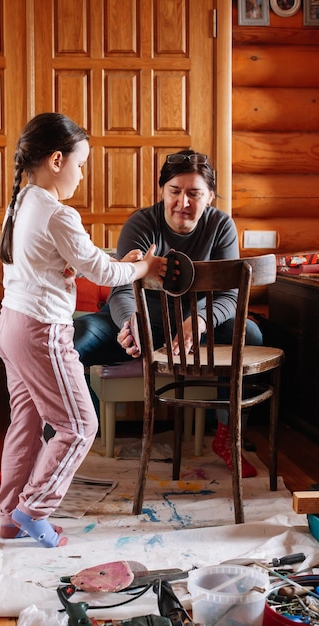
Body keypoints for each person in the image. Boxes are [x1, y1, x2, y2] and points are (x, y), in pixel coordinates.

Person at [0, 112, 167, 546]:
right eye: (81, 163)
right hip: (40, 332)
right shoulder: (57, 212)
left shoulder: (20, 203)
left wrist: (107, 267)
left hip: (9, 324)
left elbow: (57, 262)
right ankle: (33, 510)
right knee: (79, 426)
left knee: (26, 423)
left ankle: (8, 517)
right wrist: (144, 266)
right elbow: (101, 271)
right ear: (56, 159)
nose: (82, 174)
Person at [73, 149, 263, 478]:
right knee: (70, 339)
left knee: (252, 335)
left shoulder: (221, 226)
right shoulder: (142, 222)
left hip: (196, 329)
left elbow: (229, 296)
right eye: (175, 191)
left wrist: (200, 321)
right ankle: (51, 442)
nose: (183, 202)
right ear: (162, 190)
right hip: (143, 321)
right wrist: (130, 323)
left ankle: (227, 436)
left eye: (194, 193)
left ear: (210, 196)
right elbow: (122, 289)